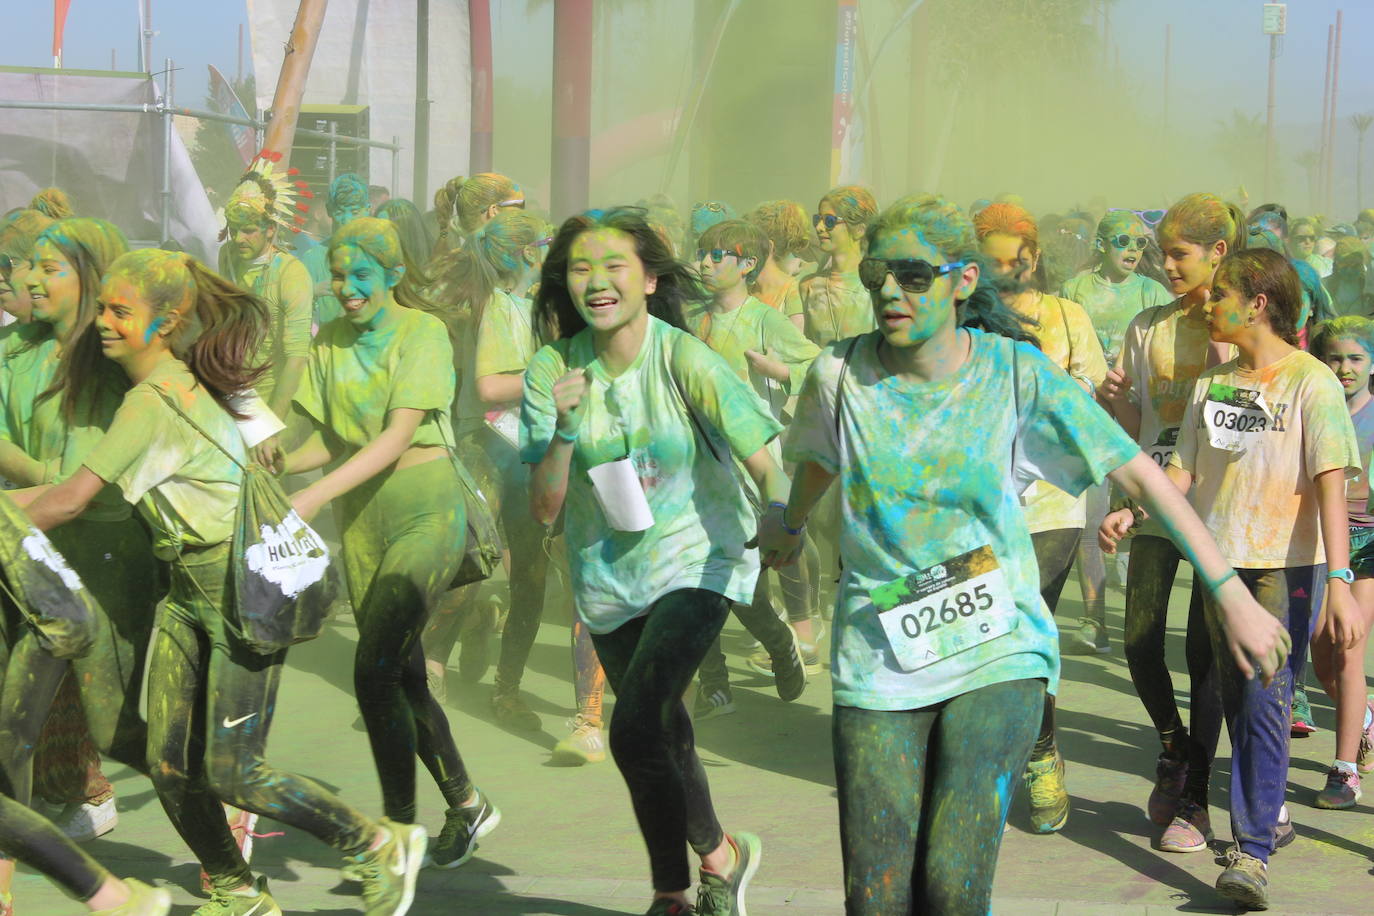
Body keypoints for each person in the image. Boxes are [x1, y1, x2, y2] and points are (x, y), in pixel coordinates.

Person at [755, 193, 1291, 916]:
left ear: (963, 281)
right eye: (879, 272)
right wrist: (788, 524)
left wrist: (1228, 592)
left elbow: (1137, 472)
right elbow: (819, 459)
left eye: (914, 275)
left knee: (950, 886)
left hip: (995, 644)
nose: (888, 290)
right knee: (876, 900)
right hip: (879, 646)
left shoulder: (1015, 372)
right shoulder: (838, 375)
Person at [20, 247, 427, 916]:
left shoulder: (153, 401)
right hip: (186, 589)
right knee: (168, 760)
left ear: (167, 320)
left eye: (121, 312)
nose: (103, 323)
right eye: (103, 308)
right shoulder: (180, 382)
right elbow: (79, 497)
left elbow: (69, 501)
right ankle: (238, 890)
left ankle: (376, 842)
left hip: (233, 589)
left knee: (235, 769)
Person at [522, 206, 787, 916]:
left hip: (700, 560)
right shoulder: (552, 369)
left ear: (647, 279)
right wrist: (565, 431)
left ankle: (671, 891)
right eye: (580, 269)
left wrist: (783, 522)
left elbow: (769, 463)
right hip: (608, 578)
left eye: (614, 267)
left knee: (635, 722)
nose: (597, 282)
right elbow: (543, 508)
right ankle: (723, 858)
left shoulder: (682, 357)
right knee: (664, 733)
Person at [1104, 247, 1363, 909]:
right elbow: (1185, 474)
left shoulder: (1312, 382)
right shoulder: (1213, 386)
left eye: (1220, 295)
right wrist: (1135, 510)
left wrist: (1339, 581)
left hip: (1287, 569)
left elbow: (1330, 487)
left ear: (1257, 304)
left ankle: (1251, 854)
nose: (1207, 306)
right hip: (1221, 570)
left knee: (1267, 700)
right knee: (1237, 699)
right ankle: (1267, 814)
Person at [278, 217, 498, 871]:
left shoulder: (421, 332)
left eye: (360, 275)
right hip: (362, 523)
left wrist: (312, 496)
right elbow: (331, 441)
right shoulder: (331, 344)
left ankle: (398, 832)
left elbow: (396, 437)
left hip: (426, 513)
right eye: (339, 275)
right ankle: (466, 803)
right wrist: (273, 465)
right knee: (401, 675)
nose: (345, 288)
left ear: (395, 276)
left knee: (371, 671)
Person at [1095, 191, 1240, 853]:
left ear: (1218, 252)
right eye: (1163, 255)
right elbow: (1134, 428)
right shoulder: (1145, 324)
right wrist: (1114, 405)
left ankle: (1197, 800)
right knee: (1138, 640)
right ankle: (1174, 745)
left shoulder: (1240, 323)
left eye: (1179, 255)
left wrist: (1220, 336)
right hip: (1153, 499)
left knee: (1203, 655)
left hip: (1217, 506)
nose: (1168, 266)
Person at [975, 202, 1109, 832]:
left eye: (1012, 257)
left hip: (1053, 503)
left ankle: (1040, 758)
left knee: (1025, 629)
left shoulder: (1065, 316)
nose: (1003, 270)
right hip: (977, 507)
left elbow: (1092, 394)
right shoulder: (962, 316)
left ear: (1032, 253)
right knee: (986, 637)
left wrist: (1044, 387)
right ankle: (998, 755)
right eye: (989, 258)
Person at [685, 218, 817, 704]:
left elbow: (817, 366)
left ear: (747, 265)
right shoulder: (690, 315)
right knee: (690, 575)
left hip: (749, 465)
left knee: (743, 580)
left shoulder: (765, 319)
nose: (704, 263)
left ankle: (782, 644)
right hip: (692, 462)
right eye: (702, 253)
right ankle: (713, 680)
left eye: (716, 255)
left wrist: (776, 368)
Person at [1059, 209, 1175, 649]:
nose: (1132, 249)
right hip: (1087, 414)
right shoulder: (1074, 290)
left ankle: (1138, 619)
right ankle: (1095, 618)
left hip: (1134, 417)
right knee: (1091, 518)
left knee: (1133, 511)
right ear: (1101, 245)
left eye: (1140, 243)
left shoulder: (1151, 292)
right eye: (1122, 241)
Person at [1309, 316, 1374, 808]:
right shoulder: (1313, 408)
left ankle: (1344, 769)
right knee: (1321, 659)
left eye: (1355, 358)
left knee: (1350, 651)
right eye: (1335, 357)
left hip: (1367, 546)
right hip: (1315, 544)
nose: (1345, 368)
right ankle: (1366, 718)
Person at [217, 162, 312, 424]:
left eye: (248, 230)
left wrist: (274, 422)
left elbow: (296, 358)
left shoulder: (291, 274)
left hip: (276, 395)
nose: (238, 239)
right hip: (235, 389)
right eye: (234, 230)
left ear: (270, 228)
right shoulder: (226, 257)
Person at [798, 186, 878, 348]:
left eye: (829, 221)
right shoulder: (808, 286)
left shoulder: (876, 286)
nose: (819, 227)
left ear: (859, 229)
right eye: (817, 219)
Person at [300, 173, 371, 330]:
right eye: (340, 212)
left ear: (367, 210)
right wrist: (311, 293)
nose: (346, 220)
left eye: (354, 212)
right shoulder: (313, 258)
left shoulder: (379, 255)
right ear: (329, 211)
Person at [745, 200, 810, 332]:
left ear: (768, 246)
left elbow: (794, 345)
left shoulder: (794, 291)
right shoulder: (747, 287)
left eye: (749, 240)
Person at [432, 173, 525, 257]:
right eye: (518, 208)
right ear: (493, 211)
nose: (523, 218)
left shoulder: (458, 256)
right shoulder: (471, 266)